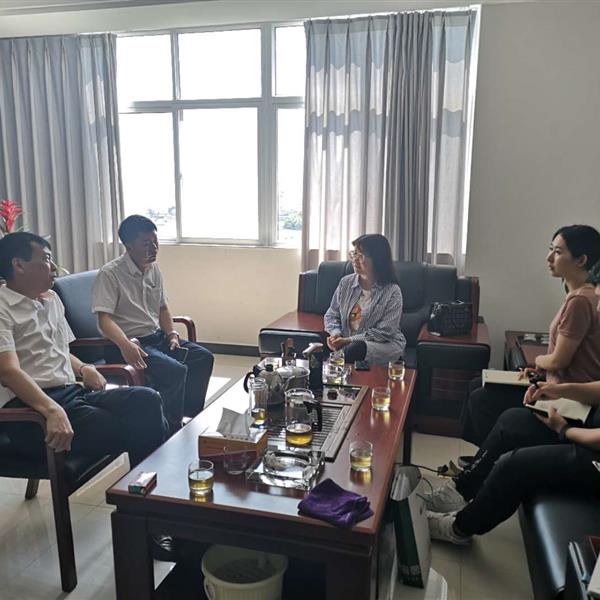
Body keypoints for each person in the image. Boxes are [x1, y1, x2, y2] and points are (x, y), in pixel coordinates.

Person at [424, 260, 600, 545]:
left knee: (512, 464)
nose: (598, 308)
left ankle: (459, 529)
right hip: (587, 421)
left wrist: (565, 430)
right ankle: (463, 488)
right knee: (511, 420)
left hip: (592, 449)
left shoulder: (581, 301)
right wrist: (559, 390)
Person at [0, 232, 167, 466]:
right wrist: (51, 410)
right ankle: (147, 486)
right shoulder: (3, 308)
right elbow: (8, 372)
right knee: (138, 426)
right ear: (18, 264)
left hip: (71, 394)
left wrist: (84, 368)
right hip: (30, 412)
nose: (54, 267)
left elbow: (59, 349)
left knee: (147, 400)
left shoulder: (50, 300)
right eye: (46, 259)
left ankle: (145, 485)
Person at [462, 224, 600, 447]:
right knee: (477, 385)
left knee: (481, 398)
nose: (549, 257)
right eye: (551, 249)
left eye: (557, 252)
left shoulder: (580, 300)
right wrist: (542, 369)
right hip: (556, 385)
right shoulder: (582, 294)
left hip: (567, 397)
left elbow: (559, 360)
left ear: (581, 260)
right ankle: (488, 454)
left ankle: (494, 454)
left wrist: (538, 361)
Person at [92, 215, 214, 435]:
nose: (154, 248)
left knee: (203, 357)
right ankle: (169, 430)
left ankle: (188, 415)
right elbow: (104, 320)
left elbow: (162, 308)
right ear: (128, 245)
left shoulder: (153, 268)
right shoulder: (110, 274)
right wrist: (125, 345)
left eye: (155, 241)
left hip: (155, 338)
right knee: (175, 371)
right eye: (146, 243)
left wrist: (172, 334)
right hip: (128, 345)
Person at [324, 233, 406, 365]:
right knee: (348, 350)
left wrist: (350, 340)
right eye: (354, 254)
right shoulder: (345, 283)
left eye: (361, 256)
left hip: (383, 345)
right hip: (348, 346)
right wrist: (335, 334)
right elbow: (332, 314)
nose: (355, 260)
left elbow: (385, 332)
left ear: (378, 259)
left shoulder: (392, 291)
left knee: (356, 348)